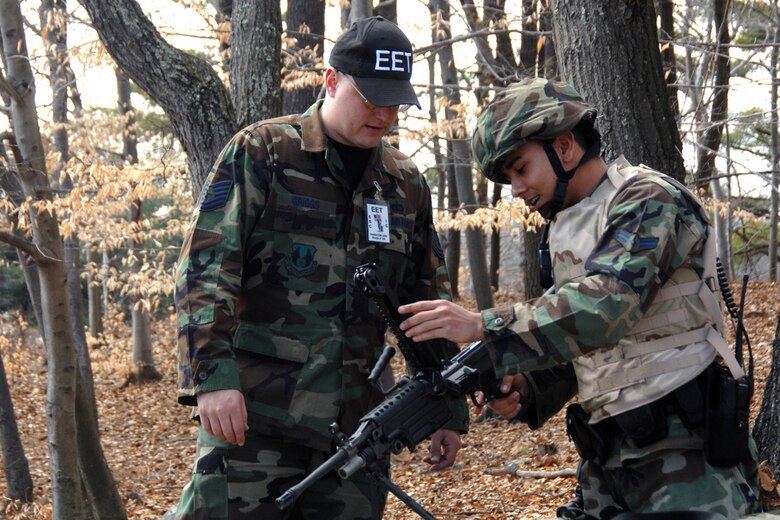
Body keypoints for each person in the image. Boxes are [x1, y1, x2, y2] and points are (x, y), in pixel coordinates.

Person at [397, 77, 763, 519]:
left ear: (565, 146)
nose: (515, 189)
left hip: (688, 459)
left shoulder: (649, 198)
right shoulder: (564, 230)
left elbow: (608, 308)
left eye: (520, 168)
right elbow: (587, 347)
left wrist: (483, 325)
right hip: (610, 464)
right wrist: (528, 389)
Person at [173, 16, 468, 520]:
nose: (384, 114)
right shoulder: (262, 152)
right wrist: (211, 379)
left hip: (357, 432)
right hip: (254, 422)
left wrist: (447, 408)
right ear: (331, 81)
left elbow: (426, 302)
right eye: (370, 97)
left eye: (395, 101)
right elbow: (205, 267)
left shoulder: (404, 183)